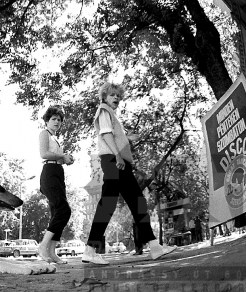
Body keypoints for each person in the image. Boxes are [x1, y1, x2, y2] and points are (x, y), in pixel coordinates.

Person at [83, 81, 176, 265]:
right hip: (113, 161)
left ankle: (154, 247)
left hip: (119, 162)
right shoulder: (104, 110)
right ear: (104, 97)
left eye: (118, 95)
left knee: (136, 202)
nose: (116, 98)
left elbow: (114, 136)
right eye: (112, 95)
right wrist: (118, 156)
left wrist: (127, 139)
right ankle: (90, 250)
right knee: (109, 204)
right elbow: (106, 135)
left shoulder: (112, 115)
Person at [37, 106, 75, 264]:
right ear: (46, 121)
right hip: (49, 172)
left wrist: (67, 159)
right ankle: (43, 246)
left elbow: (58, 158)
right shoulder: (44, 133)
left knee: (57, 213)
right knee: (63, 209)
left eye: (59, 120)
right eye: (53, 119)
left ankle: (52, 252)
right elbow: (44, 154)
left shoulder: (56, 139)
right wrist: (62, 155)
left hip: (58, 172)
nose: (57, 122)